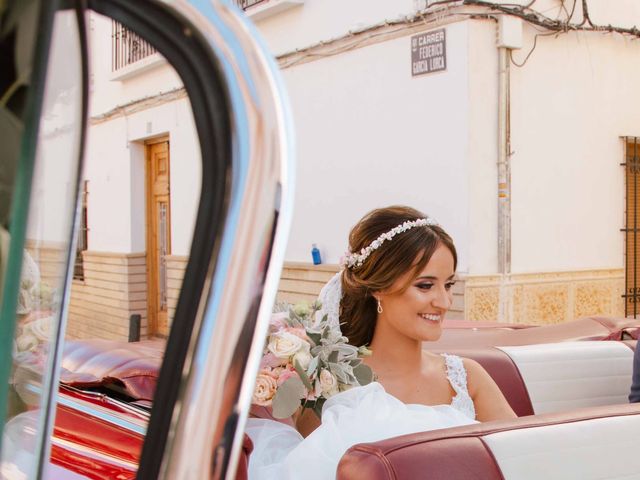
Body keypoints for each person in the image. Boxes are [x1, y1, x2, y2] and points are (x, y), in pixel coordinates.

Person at [245, 206, 516, 479]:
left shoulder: (466, 378)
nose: (444, 302)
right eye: (425, 285)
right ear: (379, 288)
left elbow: (526, 458)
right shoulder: (331, 387)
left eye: (448, 285)